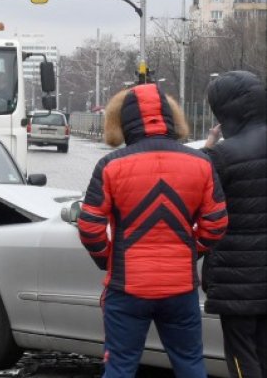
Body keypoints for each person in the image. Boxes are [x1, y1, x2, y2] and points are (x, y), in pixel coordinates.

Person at [77, 83, 228, 378]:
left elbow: (89, 226)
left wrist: (107, 259)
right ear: (172, 118)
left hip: (127, 288)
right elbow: (217, 222)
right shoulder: (201, 163)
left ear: (122, 121)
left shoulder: (110, 166)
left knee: (120, 366)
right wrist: (190, 252)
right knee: (190, 364)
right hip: (180, 288)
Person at [201, 71, 267, 378]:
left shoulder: (223, 155)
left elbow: (195, 193)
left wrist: (209, 146)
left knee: (242, 355)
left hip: (236, 279)